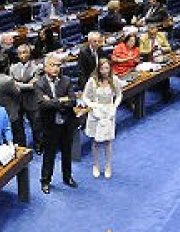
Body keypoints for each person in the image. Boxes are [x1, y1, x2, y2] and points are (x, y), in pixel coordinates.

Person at [35, 53, 78, 193]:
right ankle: (45, 181)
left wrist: (53, 101)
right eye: (52, 65)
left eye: (58, 65)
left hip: (67, 123)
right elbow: (42, 105)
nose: (55, 68)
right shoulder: (39, 83)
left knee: (67, 152)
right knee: (49, 154)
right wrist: (61, 100)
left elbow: (73, 101)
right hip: (50, 125)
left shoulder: (66, 80)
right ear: (45, 66)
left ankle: (67, 177)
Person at [83, 59, 123, 179]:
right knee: (95, 141)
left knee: (107, 142)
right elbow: (85, 97)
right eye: (102, 68)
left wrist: (114, 106)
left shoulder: (114, 80)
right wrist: (93, 106)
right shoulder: (92, 81)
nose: (105, 71)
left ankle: (108, 165)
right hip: (96, 113)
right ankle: (95, 165)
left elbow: (119, 95)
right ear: (98, 69)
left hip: (109, 113)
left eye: (107, 68)